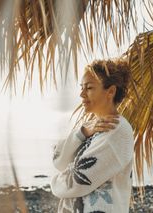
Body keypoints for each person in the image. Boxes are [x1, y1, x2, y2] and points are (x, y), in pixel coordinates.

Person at [51, 59, 134, 213]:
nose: (82, 94)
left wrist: (54, 182)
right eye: (82, 88)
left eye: (89, 88)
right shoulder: (88, 126)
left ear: (110, 91)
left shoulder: (117, 130)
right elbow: (58, 160)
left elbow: (77, 182)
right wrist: (82, 132)